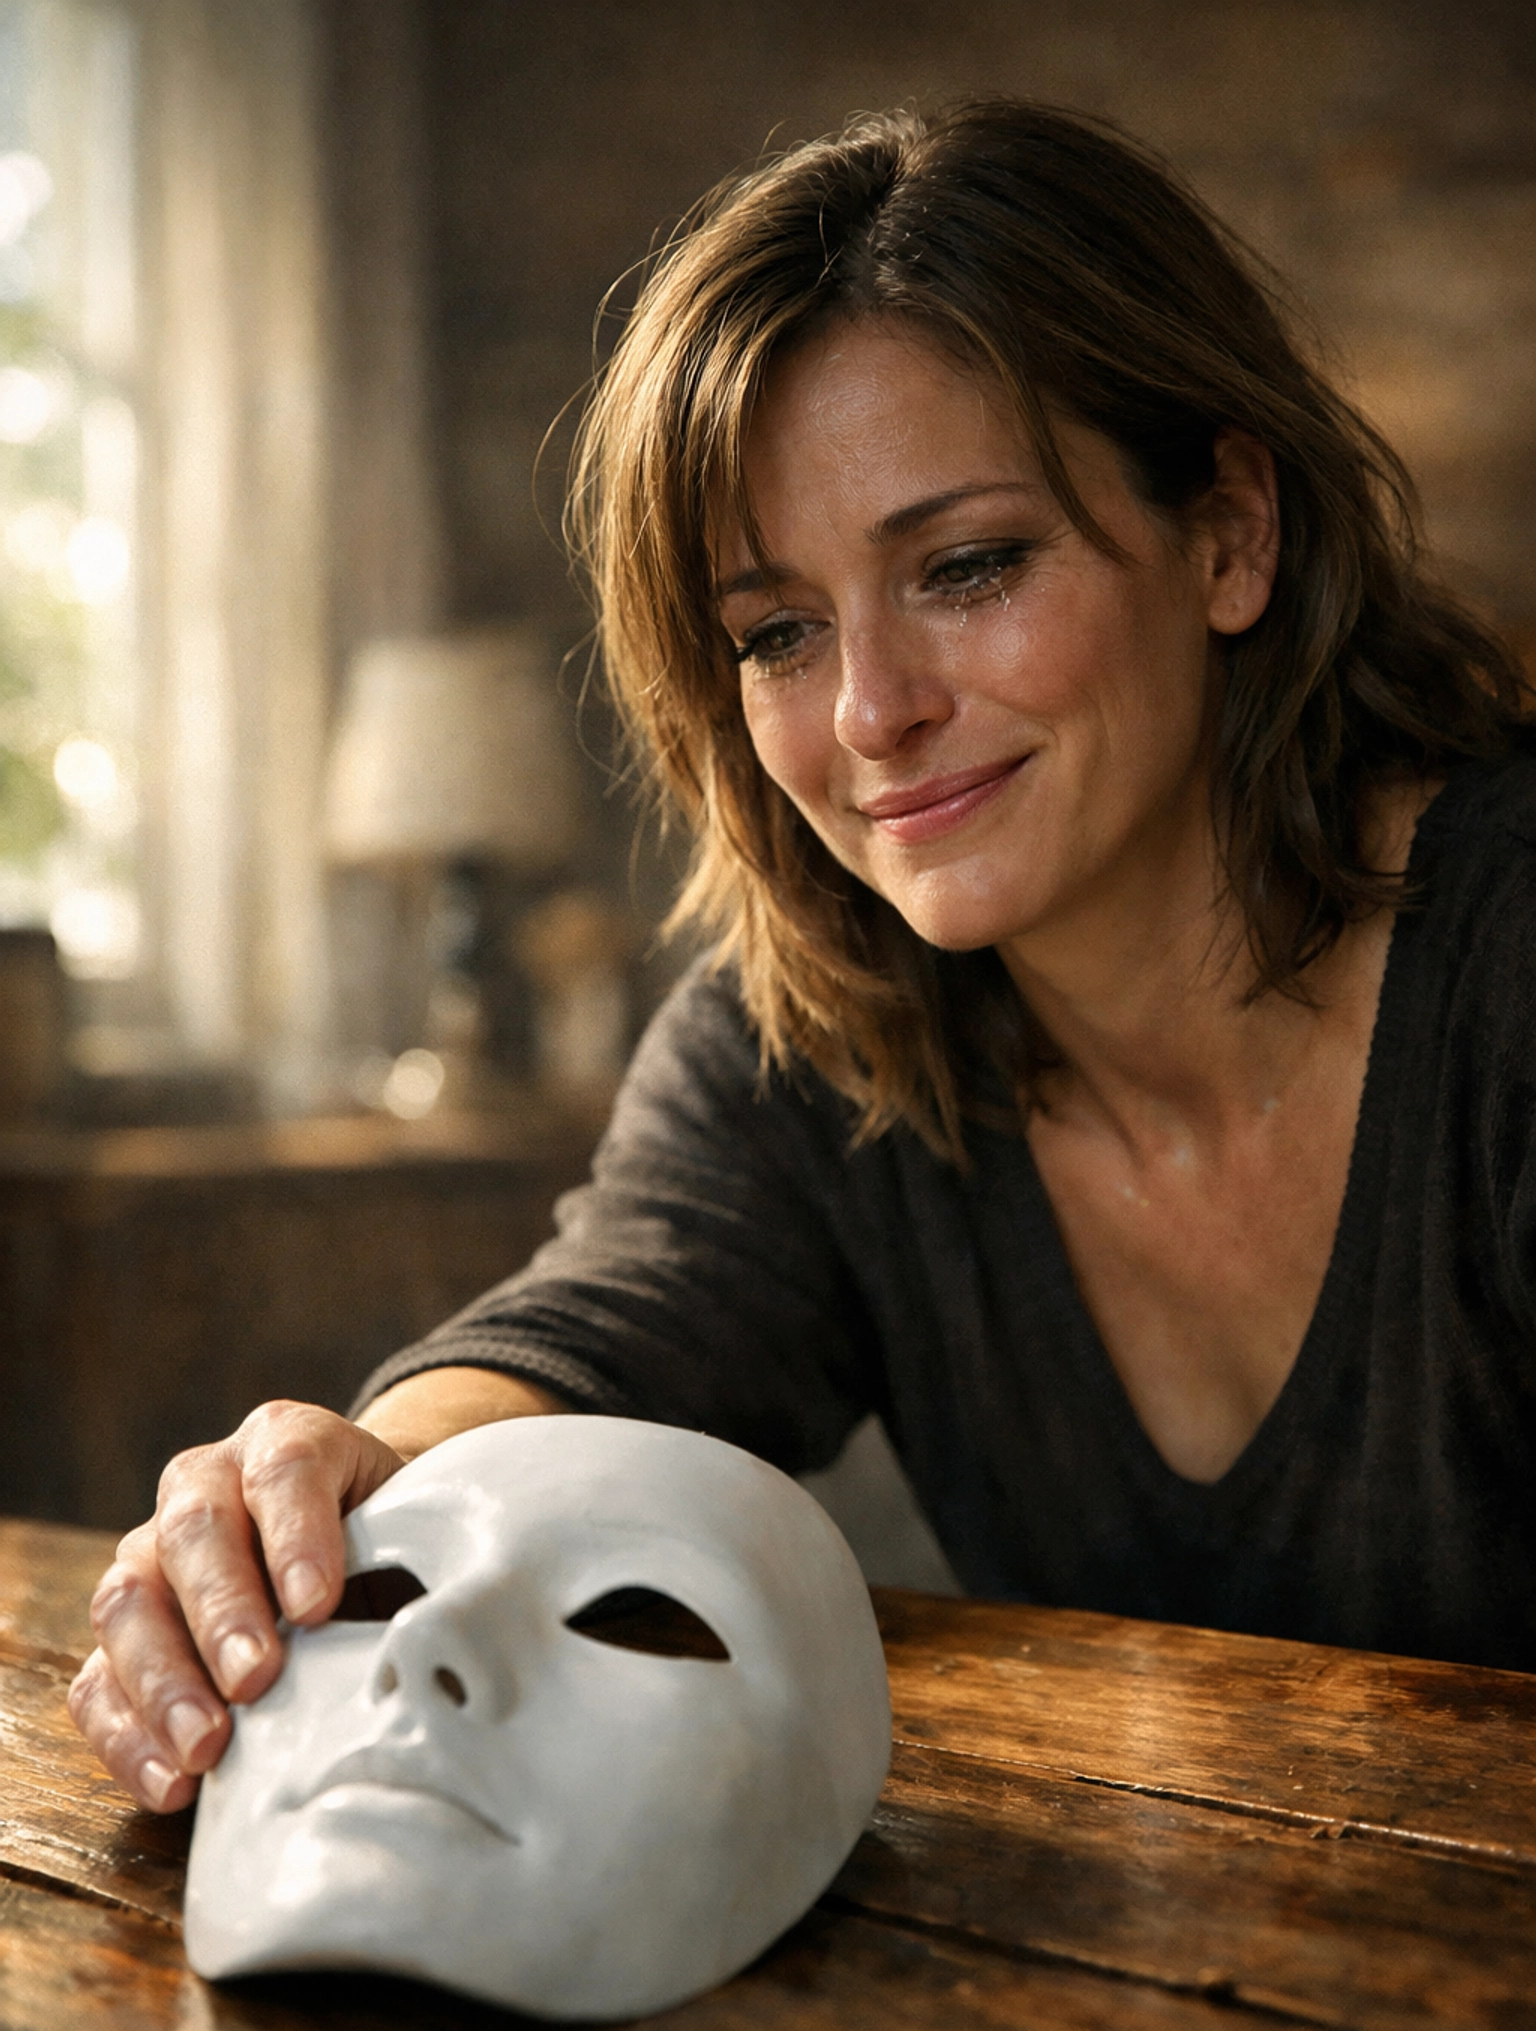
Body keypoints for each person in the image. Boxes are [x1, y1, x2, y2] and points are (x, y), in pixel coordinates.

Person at [71, 99, 1536, 1816]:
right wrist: (334, 1488)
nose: (872, 714)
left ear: (1230, 535)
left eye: (971, 565)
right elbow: (606, 1331)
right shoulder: (816, 1035)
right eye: (777, 630)